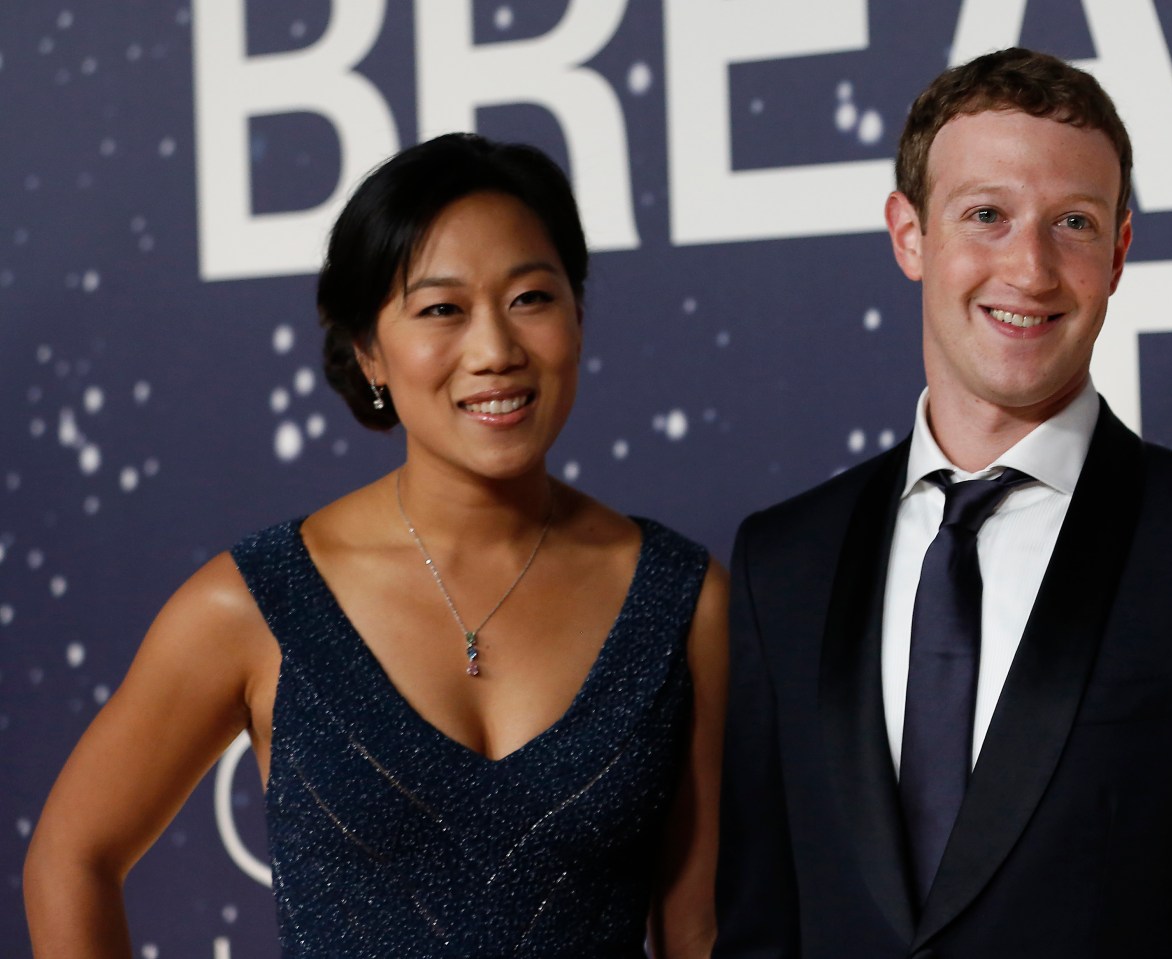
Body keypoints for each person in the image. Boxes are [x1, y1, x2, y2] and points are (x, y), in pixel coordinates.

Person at [716, 47, 1172, 958]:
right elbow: (760, 927)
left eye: (1072, 222)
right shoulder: (783, 563)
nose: (1029, 269)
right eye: (986, 215)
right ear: (910, 234)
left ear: (1119, 251)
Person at [24, 133, 727, 958]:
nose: (495, 350)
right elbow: (72, 857)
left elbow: (697, 930)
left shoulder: (681, 599)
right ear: (369, 353)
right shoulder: (258, 602)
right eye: (441, 309)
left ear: (578, 314)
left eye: (531, 298)